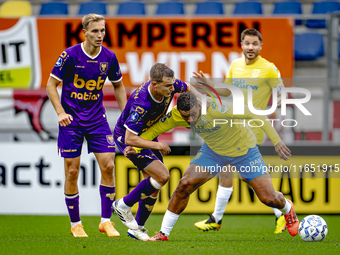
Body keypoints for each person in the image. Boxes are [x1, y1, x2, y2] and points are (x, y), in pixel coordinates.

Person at [128, 92, 298, 241]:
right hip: (213, 152)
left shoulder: (221, 108)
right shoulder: (177, 115)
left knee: (268, 198)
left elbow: (258, 116)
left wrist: (277, 141)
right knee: (184, 185)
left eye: (193, 114)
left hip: (244, 151)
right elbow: (152, 131)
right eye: (185, 116)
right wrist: (133, 146)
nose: (190, 120)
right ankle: (163, 233)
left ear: (200, 105)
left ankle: (287, 207)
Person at [193, 28, 287, 234]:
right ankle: (217, 219)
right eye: (247, 43)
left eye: (255, 44)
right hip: (233, 124)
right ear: (242, 45)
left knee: (239, 172)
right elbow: (227, 92)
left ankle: (281, 212)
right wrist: (210, 84)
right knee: (231, 171)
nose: (251, 47)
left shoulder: (269, 68)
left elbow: (281, 90)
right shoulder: (235, 64)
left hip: (253, 126)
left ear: (261, 46)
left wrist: (280, 100)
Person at [46, 14, 127, 237]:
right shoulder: (70, 55)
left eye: (102, 30)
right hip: (70, 120)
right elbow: (51, 85)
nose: (100, 35)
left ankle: (105, 221)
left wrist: (126, 116)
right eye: (95, 31)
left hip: (96, 119)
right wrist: (60, 113)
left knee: (109, 166)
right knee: (72, 171)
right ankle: (76, 224)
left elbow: (118, 87)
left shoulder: (109, 57)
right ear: (85, 32)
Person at [112, 63, 200, 241]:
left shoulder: (170, 85)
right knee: (162, 176)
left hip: (148, 135)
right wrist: (158, 146)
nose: (172, 88)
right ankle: (123, 204)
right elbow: (129, 138)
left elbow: (190, 87)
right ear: (154, 84)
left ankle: (137, 229)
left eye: (172, 84)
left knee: (154, 186)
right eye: (168, 86)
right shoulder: (142, 103)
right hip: (130, 139)